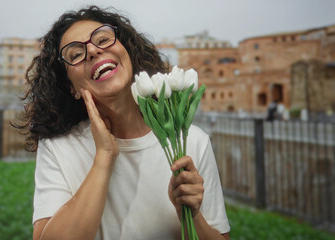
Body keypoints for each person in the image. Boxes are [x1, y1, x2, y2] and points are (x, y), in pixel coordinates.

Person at [16, 5, 230, 240]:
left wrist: (192, 214)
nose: (93, 51)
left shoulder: (191, 141)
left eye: (103, 39)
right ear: (72, 88)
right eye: (76, 54)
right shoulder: (59, 148)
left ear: (127, 52)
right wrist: (104, 156)